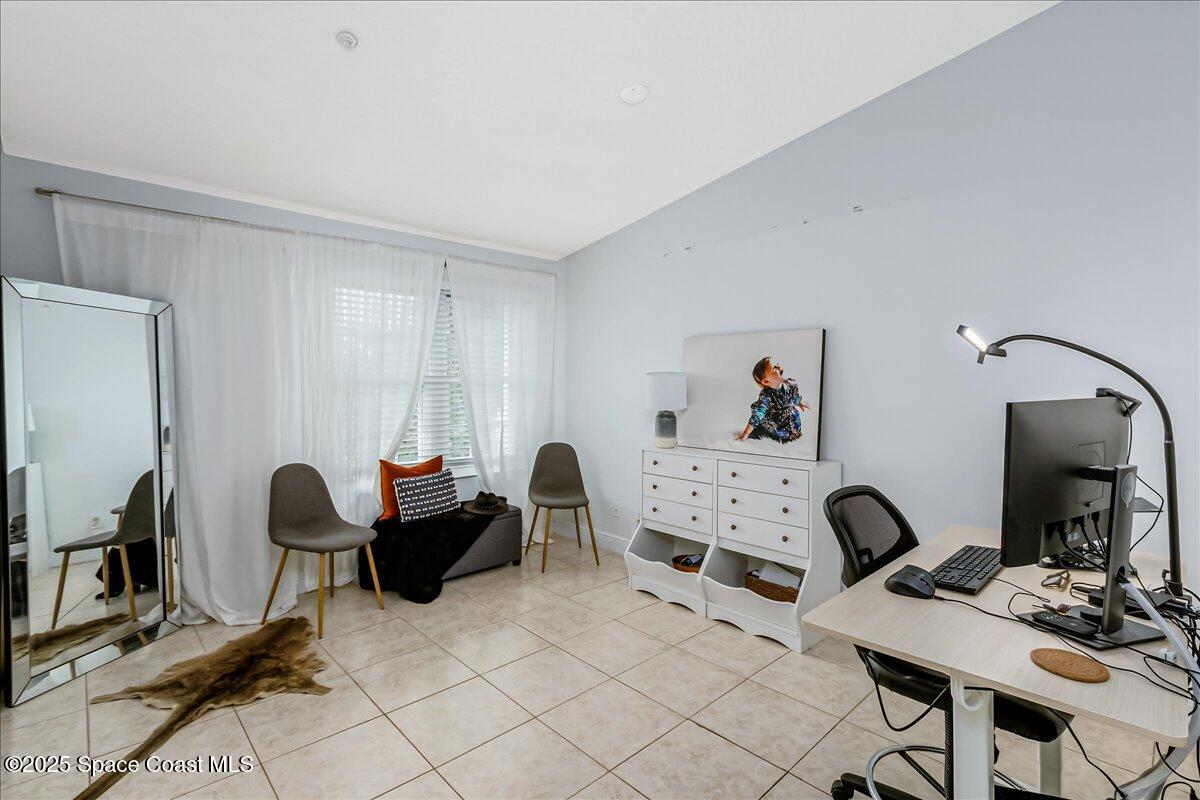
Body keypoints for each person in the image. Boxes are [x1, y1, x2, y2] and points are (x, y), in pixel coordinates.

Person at [735, 356, 810, 443]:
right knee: (761, 415)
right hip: (777, 421)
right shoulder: (766, 396)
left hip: (790, 416)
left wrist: (800, 402)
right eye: (774, 367)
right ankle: (762, 430)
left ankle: (792, 434)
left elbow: (794, 396)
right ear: (766, 381)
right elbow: (758, 415)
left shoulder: (791, 384)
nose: (778, 366)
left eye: (777, 364)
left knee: (794, 431)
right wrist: (745, 434)